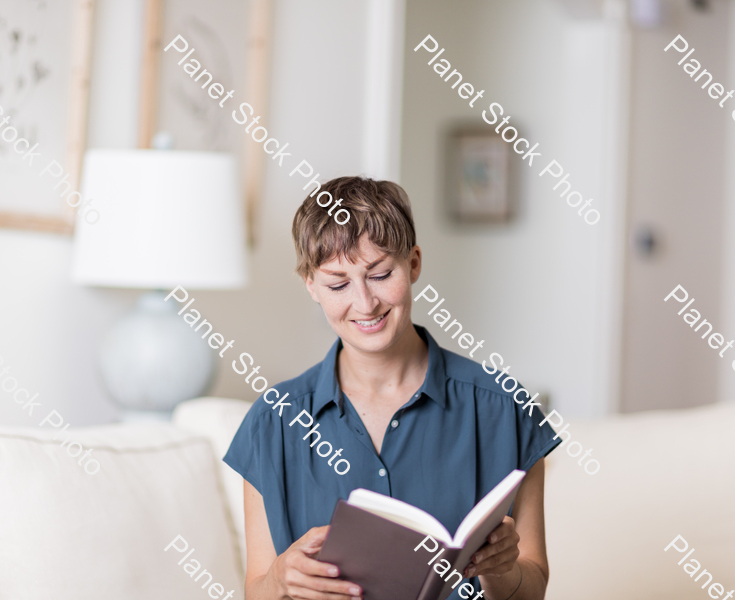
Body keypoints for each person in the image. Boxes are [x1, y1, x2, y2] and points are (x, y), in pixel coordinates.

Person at [223, 177, 560, 600]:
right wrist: (278, 580)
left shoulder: (505, 409)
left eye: (380, 274)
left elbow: (532, 590)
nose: (365, 304)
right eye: (338, 284)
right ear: (311, 285)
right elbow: (256, 590)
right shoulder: (272, 423)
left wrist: (500, 570)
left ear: (414, 263)